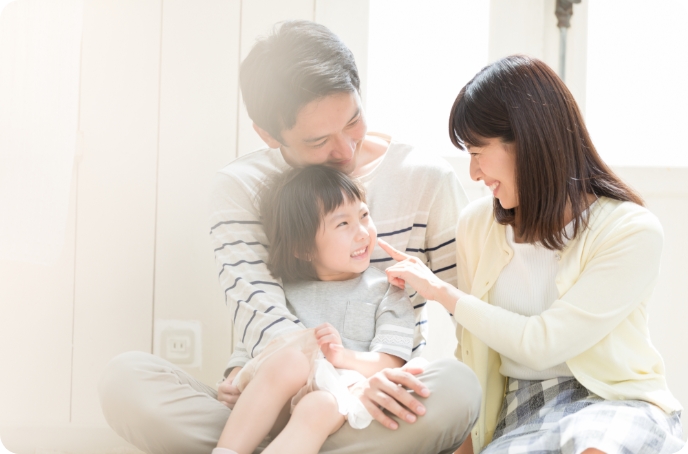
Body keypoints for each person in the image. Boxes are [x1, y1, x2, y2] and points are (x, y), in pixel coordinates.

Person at [98, 20, 480, 454]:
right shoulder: (242, 188)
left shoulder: (423, 178)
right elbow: (264, 320)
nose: (346, 151)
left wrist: (357, 389)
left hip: (370, 407)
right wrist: (250, 379)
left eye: (353, 120)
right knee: (126, 380)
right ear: (268, 134)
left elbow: (472, 309)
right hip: (268, 403)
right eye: (319, 140)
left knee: (458, 389)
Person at [380, 55, 685, 454]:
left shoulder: (630, 230)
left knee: (596, 447)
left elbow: (544, 343)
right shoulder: (476, 226)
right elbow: (473, 349)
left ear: (528, 141)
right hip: (520, 408)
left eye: (477, 151)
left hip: (613, 399)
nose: (472, 173)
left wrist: (443, 293)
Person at [214, 165, 416, 454]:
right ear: (304, 248)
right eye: (342, 224)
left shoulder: (387, 288)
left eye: (363, 215)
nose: (361, 233)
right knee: (290, 361)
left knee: (319, 405)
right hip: (280, 402)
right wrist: (233, 378)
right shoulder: (282, 291)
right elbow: (255, 346)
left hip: (339, 401)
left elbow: (392, 362)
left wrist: (343, 356)